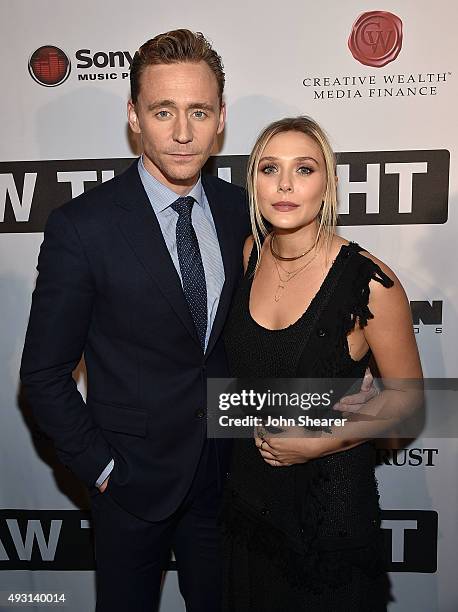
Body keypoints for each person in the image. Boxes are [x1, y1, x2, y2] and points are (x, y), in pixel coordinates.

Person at [20, 29, 250, 612]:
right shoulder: (83, 226)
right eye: (162, 111)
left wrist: (341, 394)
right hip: (129, 485)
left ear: (220, 117)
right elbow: (43, 375)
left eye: (198, 111)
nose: (181, 132)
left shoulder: (243, 209)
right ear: (134, 116)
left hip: (229, 480)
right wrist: (102, 470)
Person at [221, 116, 423, 611]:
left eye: (304, 169)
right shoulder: (250, 254)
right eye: (270, 168)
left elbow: (410, 399)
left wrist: (315, 443)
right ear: (254, 183)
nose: (286, 184)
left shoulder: (368, 281)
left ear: (328, 184)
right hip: (248, 504)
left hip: (329, 510)